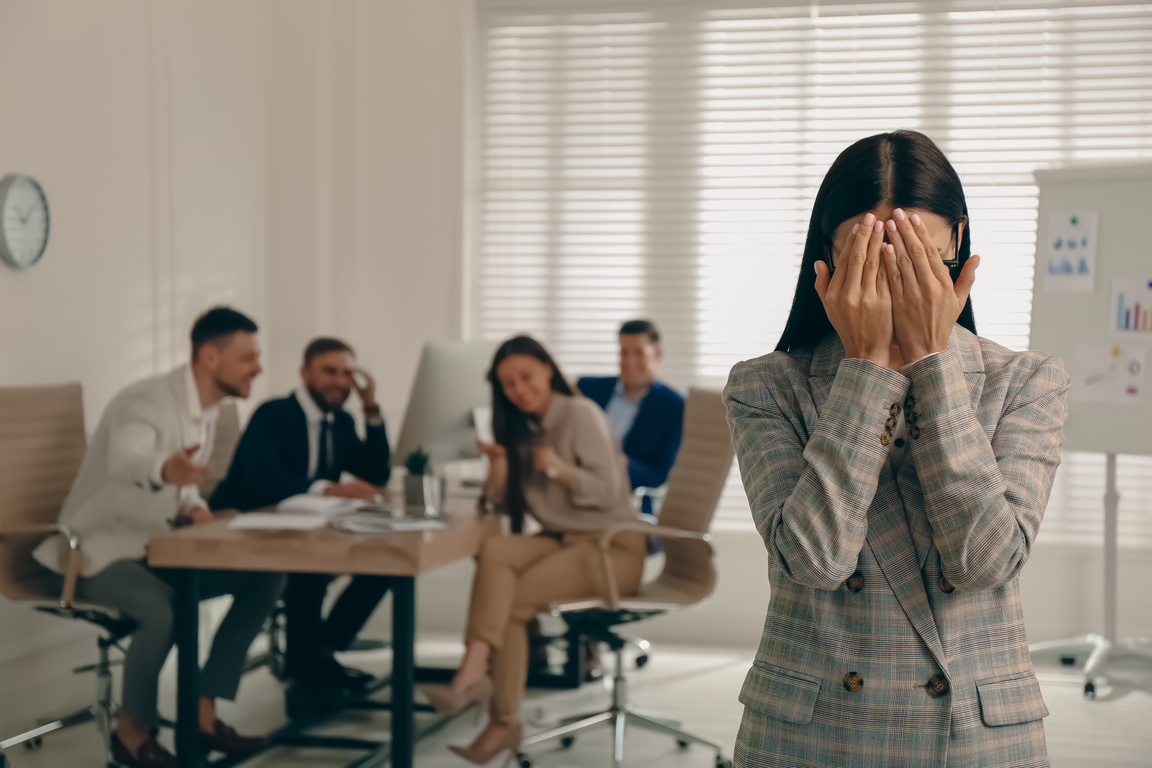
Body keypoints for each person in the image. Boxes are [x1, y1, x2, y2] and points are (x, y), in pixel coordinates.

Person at [724, 130, 1070, 767]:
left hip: (974, 734)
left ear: (957, 246)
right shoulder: (765, 385)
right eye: (870, 263)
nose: (894, 286)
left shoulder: (1026, 382)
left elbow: (986, 560)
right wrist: (866, 370)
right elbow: (816, 559)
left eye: (917, 262)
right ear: (826, 262)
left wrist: (933, 365)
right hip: (812, 735)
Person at [32, 307, 284, 768]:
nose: (258, 367)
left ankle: (203, 712)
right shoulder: (145, 401)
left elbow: (184, 483)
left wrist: (191, 503)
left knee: (265, 574)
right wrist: (164, 468)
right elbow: (128, 459)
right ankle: (130, 734)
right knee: (163, 610)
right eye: (248, 357)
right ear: (210, 356)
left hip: (155, 545)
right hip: (96, 550)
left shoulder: (205, 410)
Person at [422, 336, 646, 765]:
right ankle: (479, 682)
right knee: (496, 551)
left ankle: (486, 697)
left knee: (510, 601)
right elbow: (503, 506)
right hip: (569, 541)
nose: (519, 390)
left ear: (548, 368)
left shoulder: (579, 414)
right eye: (508, 384)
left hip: (612, 549)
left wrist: (556, 468)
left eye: (526, 377)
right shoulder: (524, 426)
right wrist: (500, 467)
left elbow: (609, 494)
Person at [210, 337, 393, 716]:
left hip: (302, 532)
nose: (340, 381)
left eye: (347, 373)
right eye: (329, 371)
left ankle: (318, 654)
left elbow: (377, 472)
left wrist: (371, 407)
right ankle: (305, 677)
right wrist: (326, 488)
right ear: (305, 372)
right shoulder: (273, 413)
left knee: (387, 560)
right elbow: (260, 477)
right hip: (245, 530)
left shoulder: (340, 421)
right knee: (309, 570)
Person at [577, 319, 685, 516]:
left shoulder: (674, 406)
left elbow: (660, 476)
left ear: (658, 355)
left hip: (627, 502)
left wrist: (622, 463)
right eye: (624, 352)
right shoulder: (588, 389)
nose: (629, 361)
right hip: (577, 487)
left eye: (639, 353)